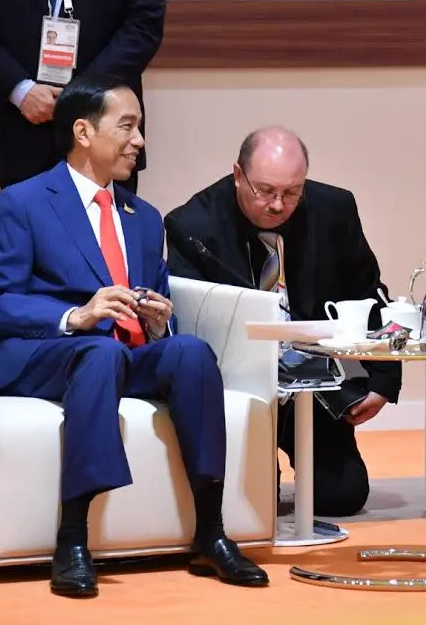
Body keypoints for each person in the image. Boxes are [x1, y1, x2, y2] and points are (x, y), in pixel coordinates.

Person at [0, 73, 268, 597]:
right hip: (47, 354)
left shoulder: (144, 217)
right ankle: (74, 537)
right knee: (99, 351)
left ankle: (211, 530)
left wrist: (159, 320)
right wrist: (75, 316)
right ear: (83, 132)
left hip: (121, 353)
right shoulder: (24, 203)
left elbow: (153, 300)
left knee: (191, 352)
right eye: (127, 126)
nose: (140, 141)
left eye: (140, 127)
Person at [164, 126, 402, 517]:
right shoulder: (192, 226)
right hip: (239, 387)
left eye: (292, 192)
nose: (278, 205)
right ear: (238, 175)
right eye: (264, 190)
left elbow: (368, 292)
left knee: (342, 496)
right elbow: (192, 321)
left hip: (314, 382)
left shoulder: (334, 209)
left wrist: (383, 380)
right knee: (256, 503)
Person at [0, 0, 166, 193]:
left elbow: (144, 25)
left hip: (104, 122)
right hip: (22, 127)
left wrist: (86, 95)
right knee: (29, 225)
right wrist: (20, 90)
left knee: (106, 226)